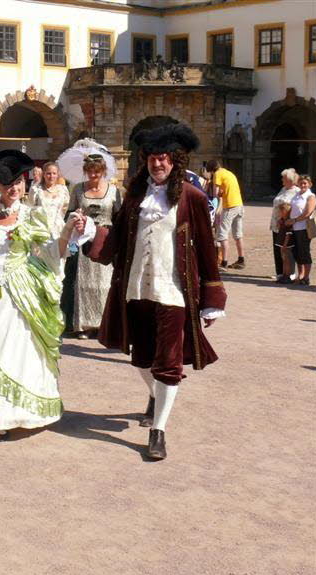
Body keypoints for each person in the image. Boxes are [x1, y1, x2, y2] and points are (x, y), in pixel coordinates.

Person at [84, 123, 226, 460]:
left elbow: (206, 249)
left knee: (169, 362)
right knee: (141, 358)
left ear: (175, 162)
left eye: (163, 159)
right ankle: (155, 395)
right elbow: (117, 235)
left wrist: (212, 298)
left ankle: (158, 429)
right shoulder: (135, 195)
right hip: (135, 288)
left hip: (174, 292)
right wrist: (90, 232)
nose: (157, 164)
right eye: (151, 159)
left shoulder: (192, 197)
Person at [0, 150, 86, 436]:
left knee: (16, 350)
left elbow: (50, 254)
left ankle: (13, 413)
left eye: (20, 183)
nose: (15, 188)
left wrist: (67, 231)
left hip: (21, 291)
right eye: (8, 183)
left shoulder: (32, 215)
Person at [66, 154, 122, 339]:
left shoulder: (114, 191)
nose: (93, 176)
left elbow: (119, 217)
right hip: (84, 241)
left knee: (104, 283)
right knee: (83, 283)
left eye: (96, 172)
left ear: (103, 171)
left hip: (105, 240)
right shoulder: (78, 190)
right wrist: (76, 218)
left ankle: (103, 324)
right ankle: (83, 325)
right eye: (89, 172)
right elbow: (69, 214)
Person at [206, 160, 245, 270]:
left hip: (230, 206)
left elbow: (215, 194)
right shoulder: (228, 172)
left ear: (212, 170)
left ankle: (224, 262)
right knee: (238, 234)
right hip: (239, 205)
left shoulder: (217, 174)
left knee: (222, 235)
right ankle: (241, 259)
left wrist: (212, 188)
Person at [285, 175, 316, 286]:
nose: (303, 185)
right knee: (296, 252)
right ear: (297, 184)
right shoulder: (297, 195)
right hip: (294, 228)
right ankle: (300, 275)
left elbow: (308, 213)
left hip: (304, 228)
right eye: (301, 183)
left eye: (305, 183)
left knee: (304, 253)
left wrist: (294, 220)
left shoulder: (311, 196)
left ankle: (306, 277)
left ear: (309, 184)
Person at [271, 168, 301, 282]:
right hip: (276, 223)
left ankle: (290, 273)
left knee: (288, 249)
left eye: (284, 177)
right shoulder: (283, 189)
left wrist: (287, 221)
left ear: (289, 179)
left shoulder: (296, 191)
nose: (282, 179)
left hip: (286, 225)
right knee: (277, 248)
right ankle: (280, 273)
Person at [29, 161, 70, 226]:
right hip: (40, 227)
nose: (51, 176)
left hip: (58, 227)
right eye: (48, 173)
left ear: (57, 175)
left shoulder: (63, 190)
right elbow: (30, 207)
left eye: (54, 173)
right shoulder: (36, 189)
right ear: (44, 174)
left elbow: (65, 208)